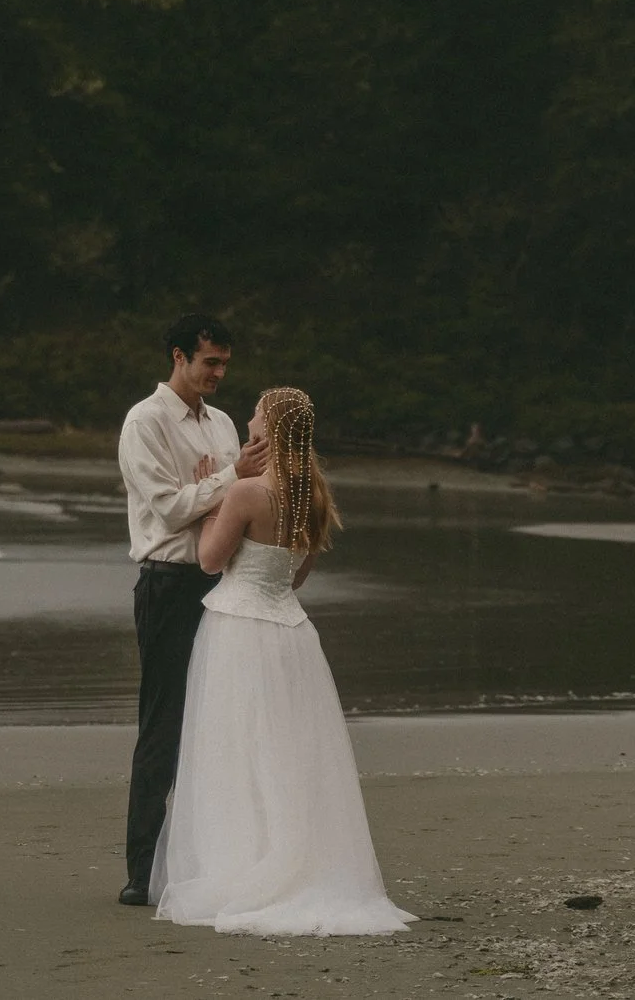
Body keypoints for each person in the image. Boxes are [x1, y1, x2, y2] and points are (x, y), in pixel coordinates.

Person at [149, 386, 413, 936]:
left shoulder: (246, 494)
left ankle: (241, 862)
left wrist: (204, 497)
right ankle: (294, 857)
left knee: (236, 748)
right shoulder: (312, 494)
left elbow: (208, 560)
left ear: (267, 428)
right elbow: (296, 576)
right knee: (287, 750)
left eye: (256, 413)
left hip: (238, 628)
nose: (247, 418)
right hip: (291, 631)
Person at [116, 313, 265, 908]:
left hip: (221, 582)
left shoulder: (224, 424)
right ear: (179, 356)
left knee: (220, 722)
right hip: (168, 584)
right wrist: (226, 480)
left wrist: (218, 487)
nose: (219, 374)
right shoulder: (145, 421)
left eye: (225, 363)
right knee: (163, 724)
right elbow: (169, 510)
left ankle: (211, 863)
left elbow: (224, 507)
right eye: (210, 362)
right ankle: (141, 871)